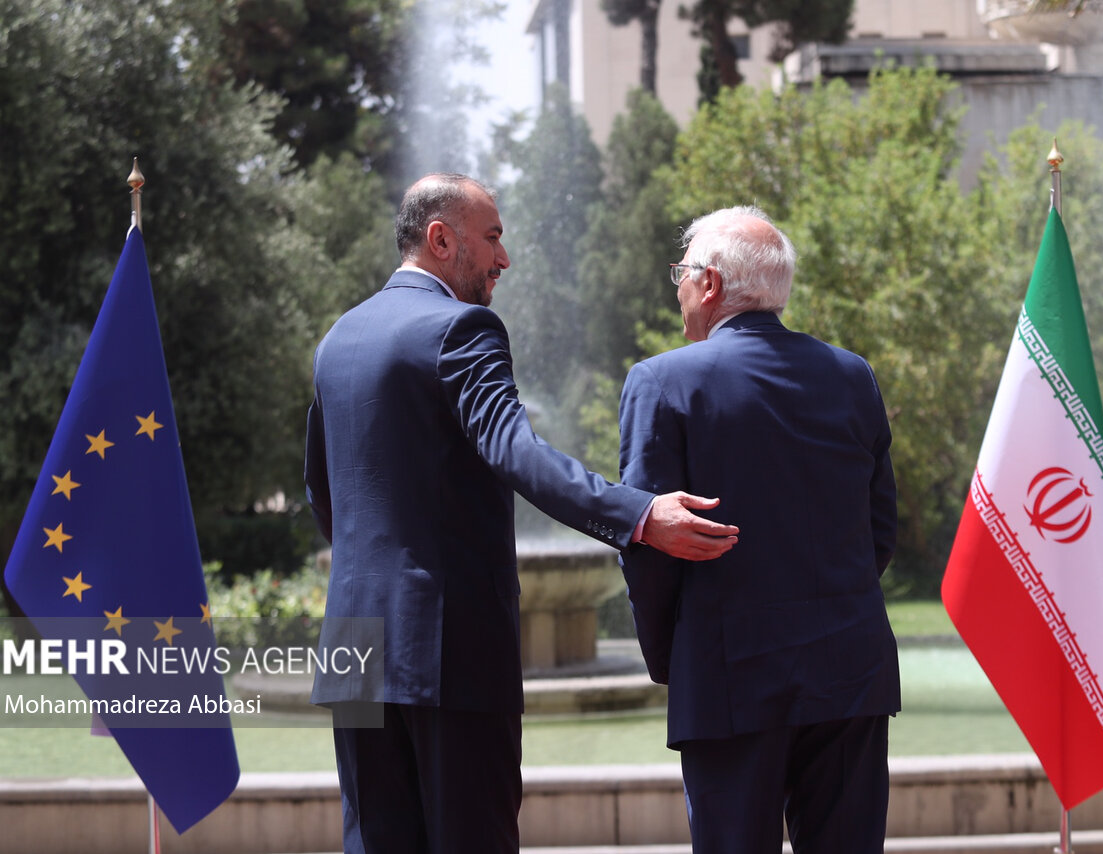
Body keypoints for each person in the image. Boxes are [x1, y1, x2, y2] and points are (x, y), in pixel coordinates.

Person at [303, 172, 739, 854]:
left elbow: (324, 495)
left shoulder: (337, 341)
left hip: (356, 651)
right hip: (448, 650)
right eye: (493, 238)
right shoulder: (461, 328)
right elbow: (518, 453)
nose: (504, 259)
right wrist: (641, 514)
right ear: (441, 239)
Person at [618, 206, 900, 854]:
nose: (679, 287)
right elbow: (879, 529)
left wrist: (672, 657)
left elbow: (648, 551)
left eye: (680, 274)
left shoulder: (662, 383)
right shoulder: (851, 376)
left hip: (727, 675)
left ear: (709, 284)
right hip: (848, 673)